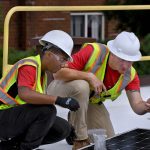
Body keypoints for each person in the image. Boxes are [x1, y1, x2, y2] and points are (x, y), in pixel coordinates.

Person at [47, 31, 150, 150]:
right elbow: (58, 73)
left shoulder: (130, 75)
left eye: (130, 61)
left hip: (89, 103)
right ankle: (80, 139)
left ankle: (73, 123)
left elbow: (137, 105)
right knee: (82, 86)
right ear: (112, 52)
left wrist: (146, 106)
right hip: (59, 89)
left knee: (108, 141)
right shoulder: (94, 52)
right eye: (122, 59)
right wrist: (89, 77)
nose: (125, 65)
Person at [0, 30, 80, 150]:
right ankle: (26, 147)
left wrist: (71, 128)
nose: (64, 65)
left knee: (63, 128)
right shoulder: (29, 65)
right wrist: (59, 100)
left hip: (12, 117)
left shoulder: (42, 74)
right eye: (62, 59)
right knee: (47, 110)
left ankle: (11, 147)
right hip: (2, 117)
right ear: (49, 54)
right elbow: (24, 94)